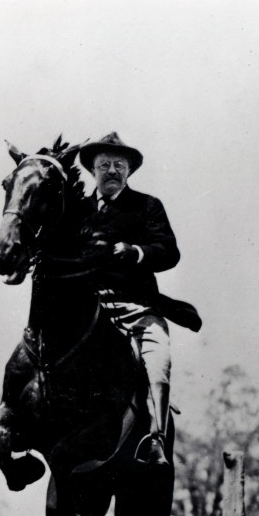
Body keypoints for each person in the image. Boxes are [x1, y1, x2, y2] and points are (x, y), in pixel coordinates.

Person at [77, 132, 181, 467]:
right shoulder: (77, 211)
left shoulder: (147, 206)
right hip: (84, 309)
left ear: (128, 172)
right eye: (103, 164)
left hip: (136, 311)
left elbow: (169, 251)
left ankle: (155, 438)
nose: (110, 170)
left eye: (118, 165)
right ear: (92, 170)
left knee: (158, 363)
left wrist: (135, 251)